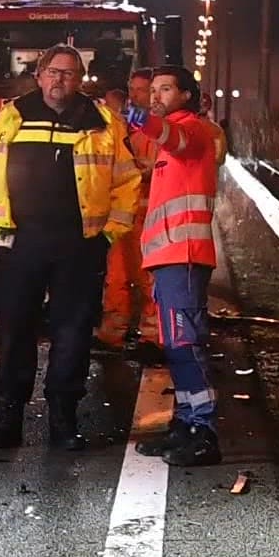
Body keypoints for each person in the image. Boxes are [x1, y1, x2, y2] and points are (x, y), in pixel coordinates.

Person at [0, 45, 141, 452]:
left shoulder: (103, 122)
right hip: (20, 241)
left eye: (68, 74)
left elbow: (127, 183)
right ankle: (7, 422)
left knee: (73, 335)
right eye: (53, 72)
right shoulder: (12, 117)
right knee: (15, 334)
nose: (59, 80)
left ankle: (64, 422)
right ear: (39, 75)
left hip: (79, 245)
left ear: (80, 79)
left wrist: (107, 235)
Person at [124, 66, 227, 466]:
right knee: (176, 346)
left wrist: (140, 118)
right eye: (152, 91)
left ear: (186, 94)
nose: (156, 97)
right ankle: (186, 424)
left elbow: (175, 136)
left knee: (186, 345)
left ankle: (205, 432)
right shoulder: (169, 141)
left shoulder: (194, 131)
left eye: (165, 89)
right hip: (169, 257)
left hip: (183, 256)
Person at [98, 69, 159, 349]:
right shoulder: (126, 126)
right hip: (123, 212)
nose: (134, 95)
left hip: (149, 214)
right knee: (116, 276)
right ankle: (112, 333)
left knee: (148, 278)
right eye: (131, 88)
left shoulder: (159, 128)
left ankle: (153, 335)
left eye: (140, 89)